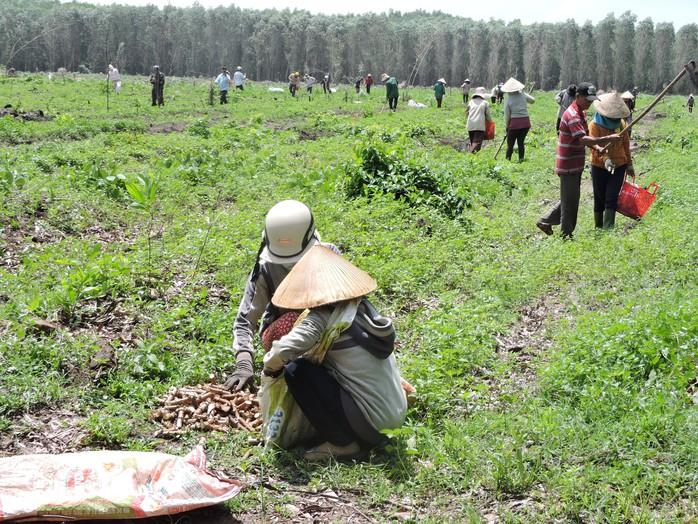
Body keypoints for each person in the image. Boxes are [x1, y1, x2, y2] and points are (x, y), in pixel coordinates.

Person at [261, 245, 407, 461]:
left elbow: (282, 351)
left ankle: (343, 444)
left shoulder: (322, 316)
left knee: (296, 370)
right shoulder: (363, 307)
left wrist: (269, 371)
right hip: (395, 418)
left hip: (371, 427)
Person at [223, 200, 341, 393]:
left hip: (328, 327)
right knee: (293, 321)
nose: (291, 266)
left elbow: (353, 303)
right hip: (287, 335)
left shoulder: (330, 255)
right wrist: (244, 362)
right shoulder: (266, 268)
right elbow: (245, 320)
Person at [537, 83, 621, 238]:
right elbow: (582, 139)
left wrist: (597, 148)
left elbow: (587, 137)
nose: (589, 103)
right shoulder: (572, 115)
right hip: (568, 163)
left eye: (591, 100)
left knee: (571, 197)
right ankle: (566, 235)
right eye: (587, 100)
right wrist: (608, 138)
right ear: (577, 97)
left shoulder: (581, 113)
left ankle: (546, 221)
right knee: (570, 201)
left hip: (576, 163)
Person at [589, 92, 634, 230]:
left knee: (612, 196)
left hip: (619, 164)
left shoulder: (621, 124)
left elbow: (626, 144)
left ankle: (608, 228)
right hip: (598, 166)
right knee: (599, 197)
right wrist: (606, 159)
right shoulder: (594, 125)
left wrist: (629, 164)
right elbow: (593, 146)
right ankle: (598, 226)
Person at [502, 77, 535, 161]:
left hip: (514, 124)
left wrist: (507, 126)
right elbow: (532, 100)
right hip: (525, 123)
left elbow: (507, 116)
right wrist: (524, 95)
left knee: (510, 144)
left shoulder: (508, 100)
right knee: (521, 142)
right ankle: (521, 159)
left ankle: (508, 160)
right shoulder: (523, 95)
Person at [466, 86, 492, 153]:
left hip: (470, 124)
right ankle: (472, 154)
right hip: (479, 125)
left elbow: (467, 112)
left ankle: (473, 155)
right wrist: (490, 124)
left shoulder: (471, 102)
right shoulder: (485, 102)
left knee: (473, 141)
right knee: (477, 142)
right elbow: (488, 115)